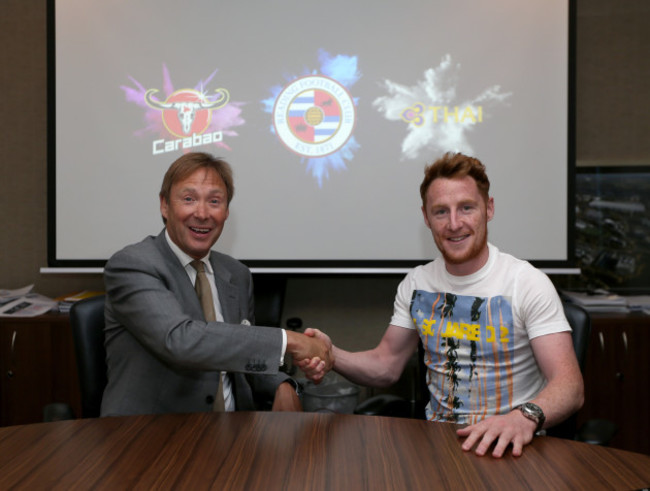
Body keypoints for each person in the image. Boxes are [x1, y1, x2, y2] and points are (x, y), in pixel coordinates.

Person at [301, 152, 583, 458]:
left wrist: (523, 418)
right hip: (438, 449)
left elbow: (569, 386)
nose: (454, 223)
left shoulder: (526, 282)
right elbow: (385, 365)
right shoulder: (417, 283)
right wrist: (331, 354)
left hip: (512, 447)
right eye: (440, 212)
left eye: (466, 208)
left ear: (488, 209)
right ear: (425, 217)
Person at [101, 152, 332, 416]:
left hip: (233, 434)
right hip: (151, 437)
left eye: (214, 201)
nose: (202, 213)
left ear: (226, 212)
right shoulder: (133, 264)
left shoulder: (236, 274)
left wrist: (283, 385)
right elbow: (181, 340)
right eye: (189, 199)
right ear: (164, 205)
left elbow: (242, 354)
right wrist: (288, 340)